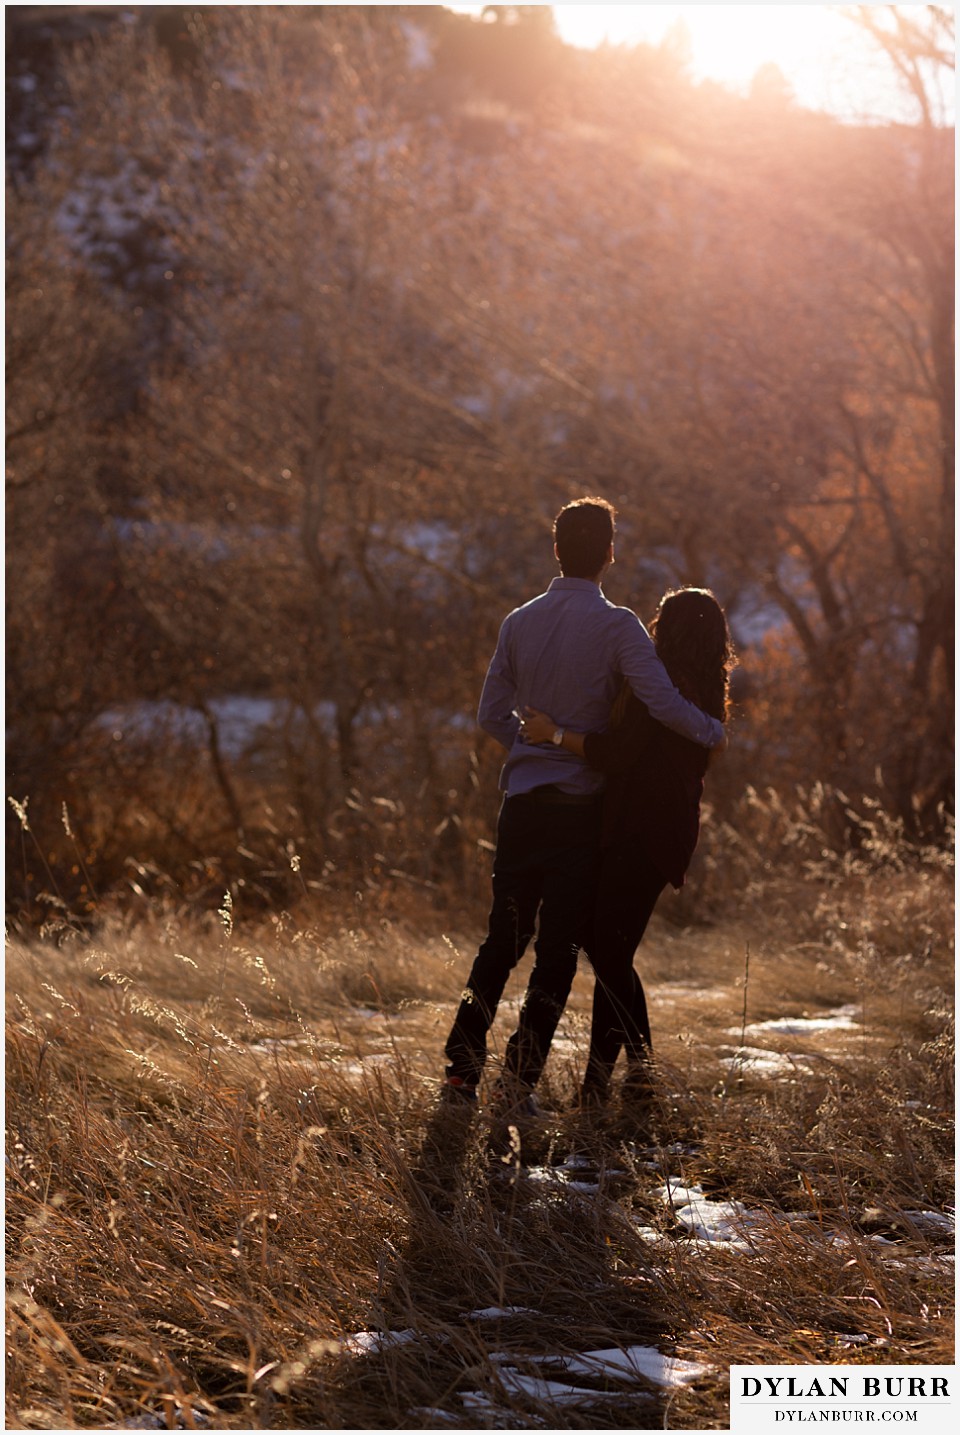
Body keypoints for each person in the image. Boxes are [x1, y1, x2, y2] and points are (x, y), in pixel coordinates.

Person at [441, 501, 725, 1115]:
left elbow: (491, 715)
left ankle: (461, 1070)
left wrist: (532, 744)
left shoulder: (518, 622)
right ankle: (517, 1084)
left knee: (500, 942)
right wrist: (710, 730)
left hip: (521, 806)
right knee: (557, 954)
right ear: (610, 554)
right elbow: (662, 702)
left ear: (555, 551)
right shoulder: (619, 627)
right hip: (578, 812)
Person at [519, 586, 734, 1108]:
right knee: (610, 949)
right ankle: (639, 1076)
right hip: (667, 830)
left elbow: (615, 755)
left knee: (609, 950)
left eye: (660, 620)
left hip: (641, 830)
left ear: (669, 629)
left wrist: (553, 735)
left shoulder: (659, 688)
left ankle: (598, 1087)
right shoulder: (704, 689)